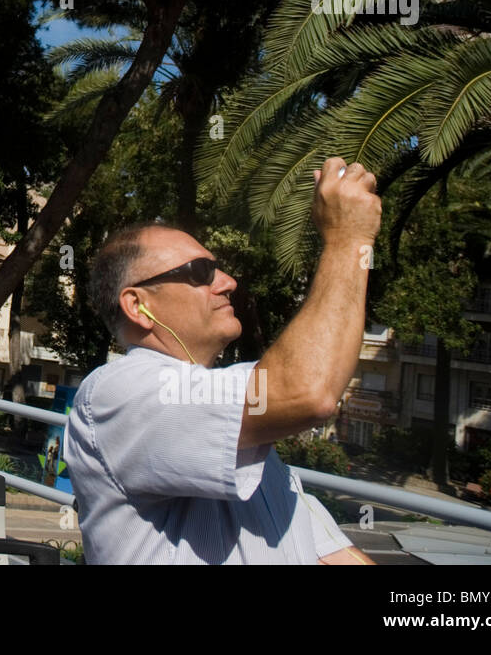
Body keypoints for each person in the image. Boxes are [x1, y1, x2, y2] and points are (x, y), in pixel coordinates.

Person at [64, 157, 381, 564]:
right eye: (201, 272)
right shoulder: (119, 393)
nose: (229, 282)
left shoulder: (238, 433)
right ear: (139, 306)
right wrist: (348, 237)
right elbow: (308, 392)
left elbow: (331, 554)